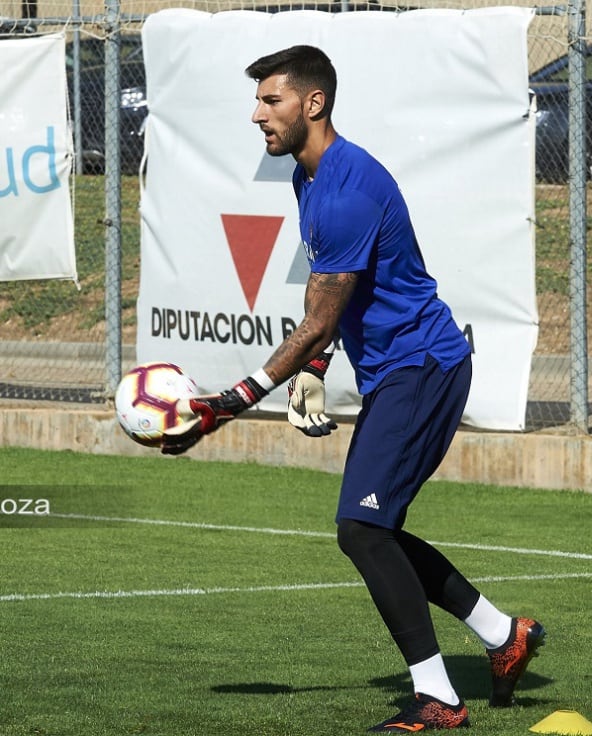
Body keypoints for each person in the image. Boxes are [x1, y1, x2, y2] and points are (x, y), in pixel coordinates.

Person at [161, 44, 545, 732]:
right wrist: (311, 372)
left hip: (422, 369)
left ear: (314, 104)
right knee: (377, 530)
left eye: (270, 101)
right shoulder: (309, 178)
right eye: (257, 102)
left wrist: (230, 404)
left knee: (362, 531)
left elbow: (319, 317)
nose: (257, 116)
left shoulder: (346, 191)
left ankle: (441, 700)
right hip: (401, 369)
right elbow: (330, 293)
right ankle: (501, 633)